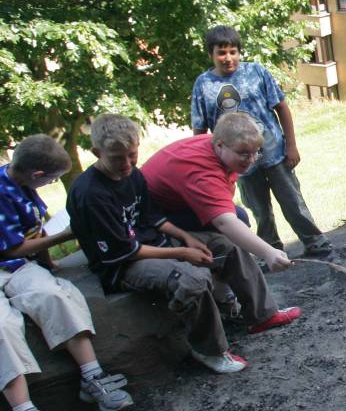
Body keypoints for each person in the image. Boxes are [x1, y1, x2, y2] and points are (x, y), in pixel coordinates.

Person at [68, 115, 301, 374]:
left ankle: (262, 315)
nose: (127, 164)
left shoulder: (131, 175)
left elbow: (153, 217)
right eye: (117, 158)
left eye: (132, 155)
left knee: (226, 246)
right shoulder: (91, 194)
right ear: (96, 152)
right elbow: (124, 251)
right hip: (124, 265)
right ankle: (208, 349)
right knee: (193, 277)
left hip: (154, 242)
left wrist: (186, 237)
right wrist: (182, 251)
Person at [1, 135, 133, 411]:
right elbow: (12, 249)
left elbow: (33, 227)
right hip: (9, 261)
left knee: (54, 295)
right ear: (37, 174)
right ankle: (23, 407)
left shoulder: (20, 182)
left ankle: (92, 376)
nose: (50, 184)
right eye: (50, 180)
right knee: (2, 327)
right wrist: (65, 236)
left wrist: (47, 262)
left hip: (20, 266)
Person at [191, 25, 332, 257]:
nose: (228, 58)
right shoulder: (203, 85)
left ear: (239, 52)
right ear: (211, 54)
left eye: (233, 52)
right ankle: (271, 251)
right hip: (237, 163)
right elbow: (200, 130)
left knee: (292, 200)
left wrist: (291, 145)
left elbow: (281, 107)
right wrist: (208, 166)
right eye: (222, 52)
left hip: (274, 152)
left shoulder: (256, 72)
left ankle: (316, 243)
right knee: (259, 210)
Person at [142, 112, 295, 273]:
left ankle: (230, 272)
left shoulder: (220, 148)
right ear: (220, 145)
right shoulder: (202, 171)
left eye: (256, 152)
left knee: (238, 216)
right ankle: (218, 272)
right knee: (237, 220)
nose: (251, 159)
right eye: (244, 154)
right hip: (150, 217)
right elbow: (224, 222)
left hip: (176, 206)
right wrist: (268, 252)